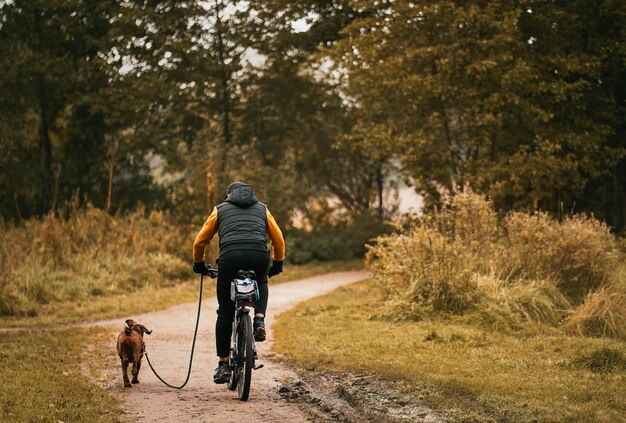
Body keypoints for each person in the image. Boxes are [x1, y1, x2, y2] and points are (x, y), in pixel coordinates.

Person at [192, 181, 285, 384]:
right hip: (258, 255)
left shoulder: (220, 209)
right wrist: (277, 263)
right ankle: (259, 319)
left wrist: (199, 264)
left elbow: (200, 241)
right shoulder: (263, 209)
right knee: (261, 279)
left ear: (229, 196)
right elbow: (278, 239)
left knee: (225, 311)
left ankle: (223, 364)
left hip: (230, 257)